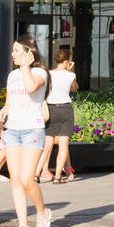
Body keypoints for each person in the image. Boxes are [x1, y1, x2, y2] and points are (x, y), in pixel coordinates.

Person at [0, 35, 51, 227]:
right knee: (15, 180)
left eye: (17, 50)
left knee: (28, 178)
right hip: (12, 130)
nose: (13, 54)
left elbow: (30, 88)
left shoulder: (40, 72)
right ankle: (23, 226)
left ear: (30, 52)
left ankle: (42, 212)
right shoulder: (12, 76)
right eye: (13, 50)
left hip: (32, 130)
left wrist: (26, 67)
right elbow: (10, 102)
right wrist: (3, 112)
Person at [38, 48, 78, 185]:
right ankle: (57, 176)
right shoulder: (70, 75)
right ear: (67, 61)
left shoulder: (48, 74)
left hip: (51, 110)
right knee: (63, 145)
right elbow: (74, 88)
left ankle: (37, 173)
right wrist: (70, 70)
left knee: (47, 145)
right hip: (65, 109)